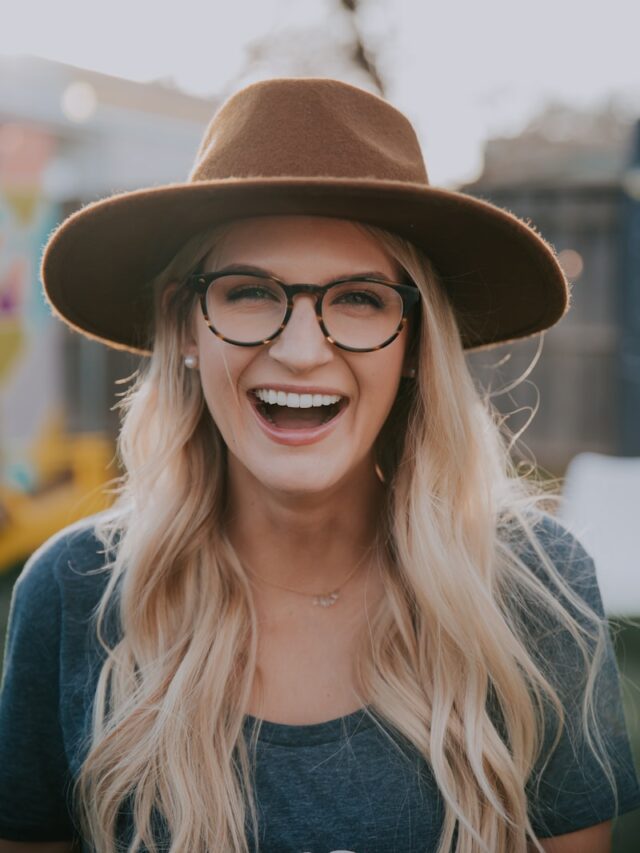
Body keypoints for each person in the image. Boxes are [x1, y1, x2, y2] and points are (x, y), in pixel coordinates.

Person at [0, 77, 638, 853]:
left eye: (360, 299)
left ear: (414, 340)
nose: (302, 352)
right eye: (248, 292)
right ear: (184, 323)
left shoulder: (532, 587)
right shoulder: (73, 596)